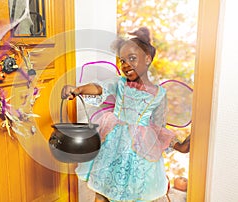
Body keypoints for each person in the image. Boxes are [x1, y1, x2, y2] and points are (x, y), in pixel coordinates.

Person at [61, 27, 190, 202]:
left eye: (132, 59)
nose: (126, 65)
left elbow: (159, 128)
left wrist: (179, 146)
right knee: (103, 189)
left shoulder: (159, 94)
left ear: (147, 59)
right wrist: (78, 90)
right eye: (122, 61)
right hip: (113, 145)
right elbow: (100, 88)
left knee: (135, 193)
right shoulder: (120, 83)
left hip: (140, 152)